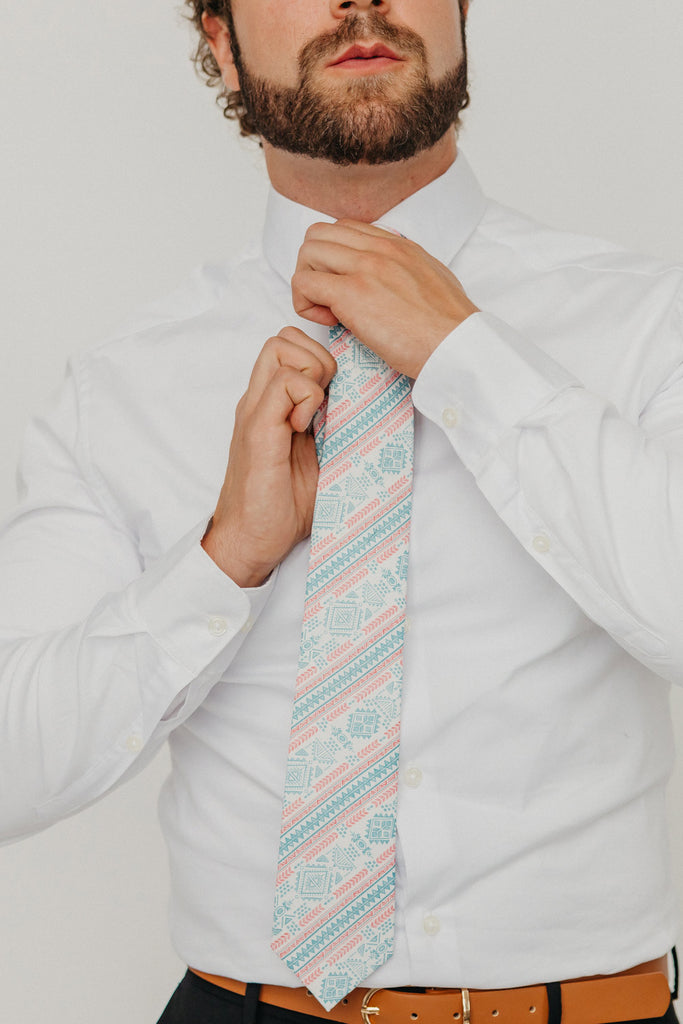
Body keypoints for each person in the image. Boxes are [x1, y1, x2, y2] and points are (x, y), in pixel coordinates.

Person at [1, 1, 682, 1022]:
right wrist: (222, 559)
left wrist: (469, 362)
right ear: (221, 43)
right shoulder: (122, 389)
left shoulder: (642, 325)